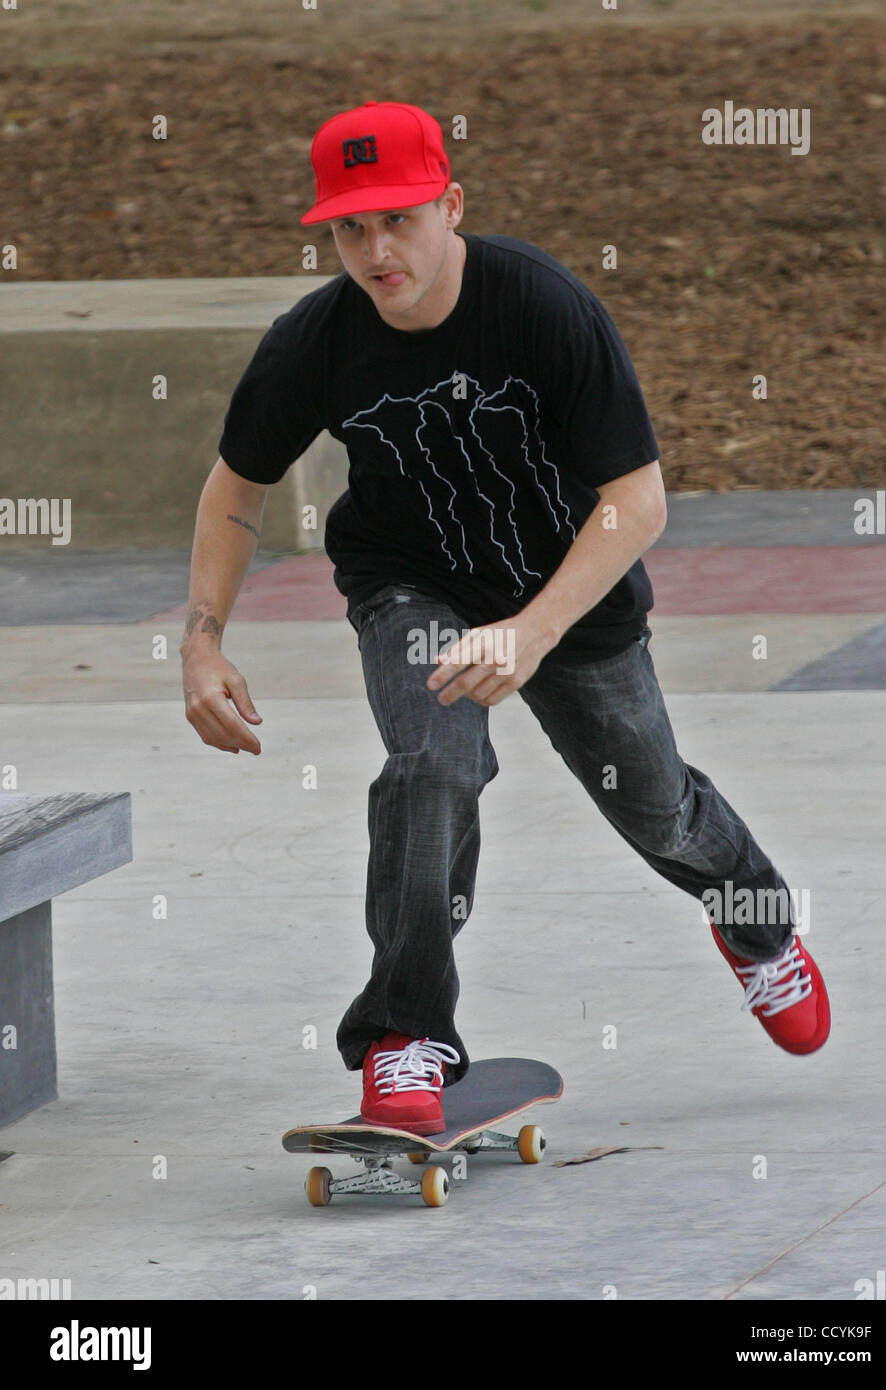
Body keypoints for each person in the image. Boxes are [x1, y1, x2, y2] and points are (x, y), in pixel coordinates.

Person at [181, 100, 830, 1136]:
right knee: (431, 767)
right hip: (414, 585)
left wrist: (532, 631)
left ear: (452, 204)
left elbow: (639, 499)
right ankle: (404, 1036)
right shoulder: (316, 342)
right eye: (351, 228)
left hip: (570, 585)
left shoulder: (541, 307)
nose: (376, 250)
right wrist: (203, 639)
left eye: (398, 219)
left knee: (656, 804)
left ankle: (755, 918)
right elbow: (235, 487)